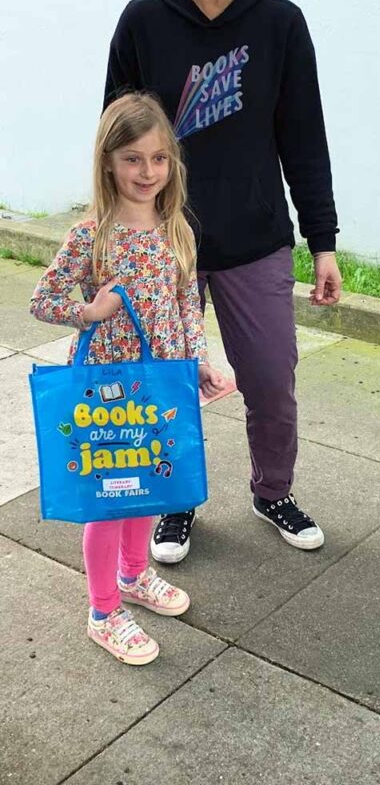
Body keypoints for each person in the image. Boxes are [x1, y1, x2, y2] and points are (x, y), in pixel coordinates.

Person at [103, 0, 341, 562]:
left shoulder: (280, 23)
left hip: (254, 239)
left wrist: (321, 243)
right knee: (168, 381)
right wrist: (115, 240)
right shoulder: (142, 22)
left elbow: (304, 137)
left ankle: (273, 491)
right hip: (160, 245)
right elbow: (114, 138)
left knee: (270, 380)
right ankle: (176, 500)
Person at [30, 93, 227, 665]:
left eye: (160, 159)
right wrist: (87, 313)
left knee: (149, 485)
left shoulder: (176, 229)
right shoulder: (93, 234)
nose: (148, 172)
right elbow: (43, 299)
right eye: (133, 159)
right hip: (101, 390)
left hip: (161, 384)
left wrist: (201, 361)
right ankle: (103, 610)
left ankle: (136, 574)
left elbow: (189, 303)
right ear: (108, 162)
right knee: (105, 498)